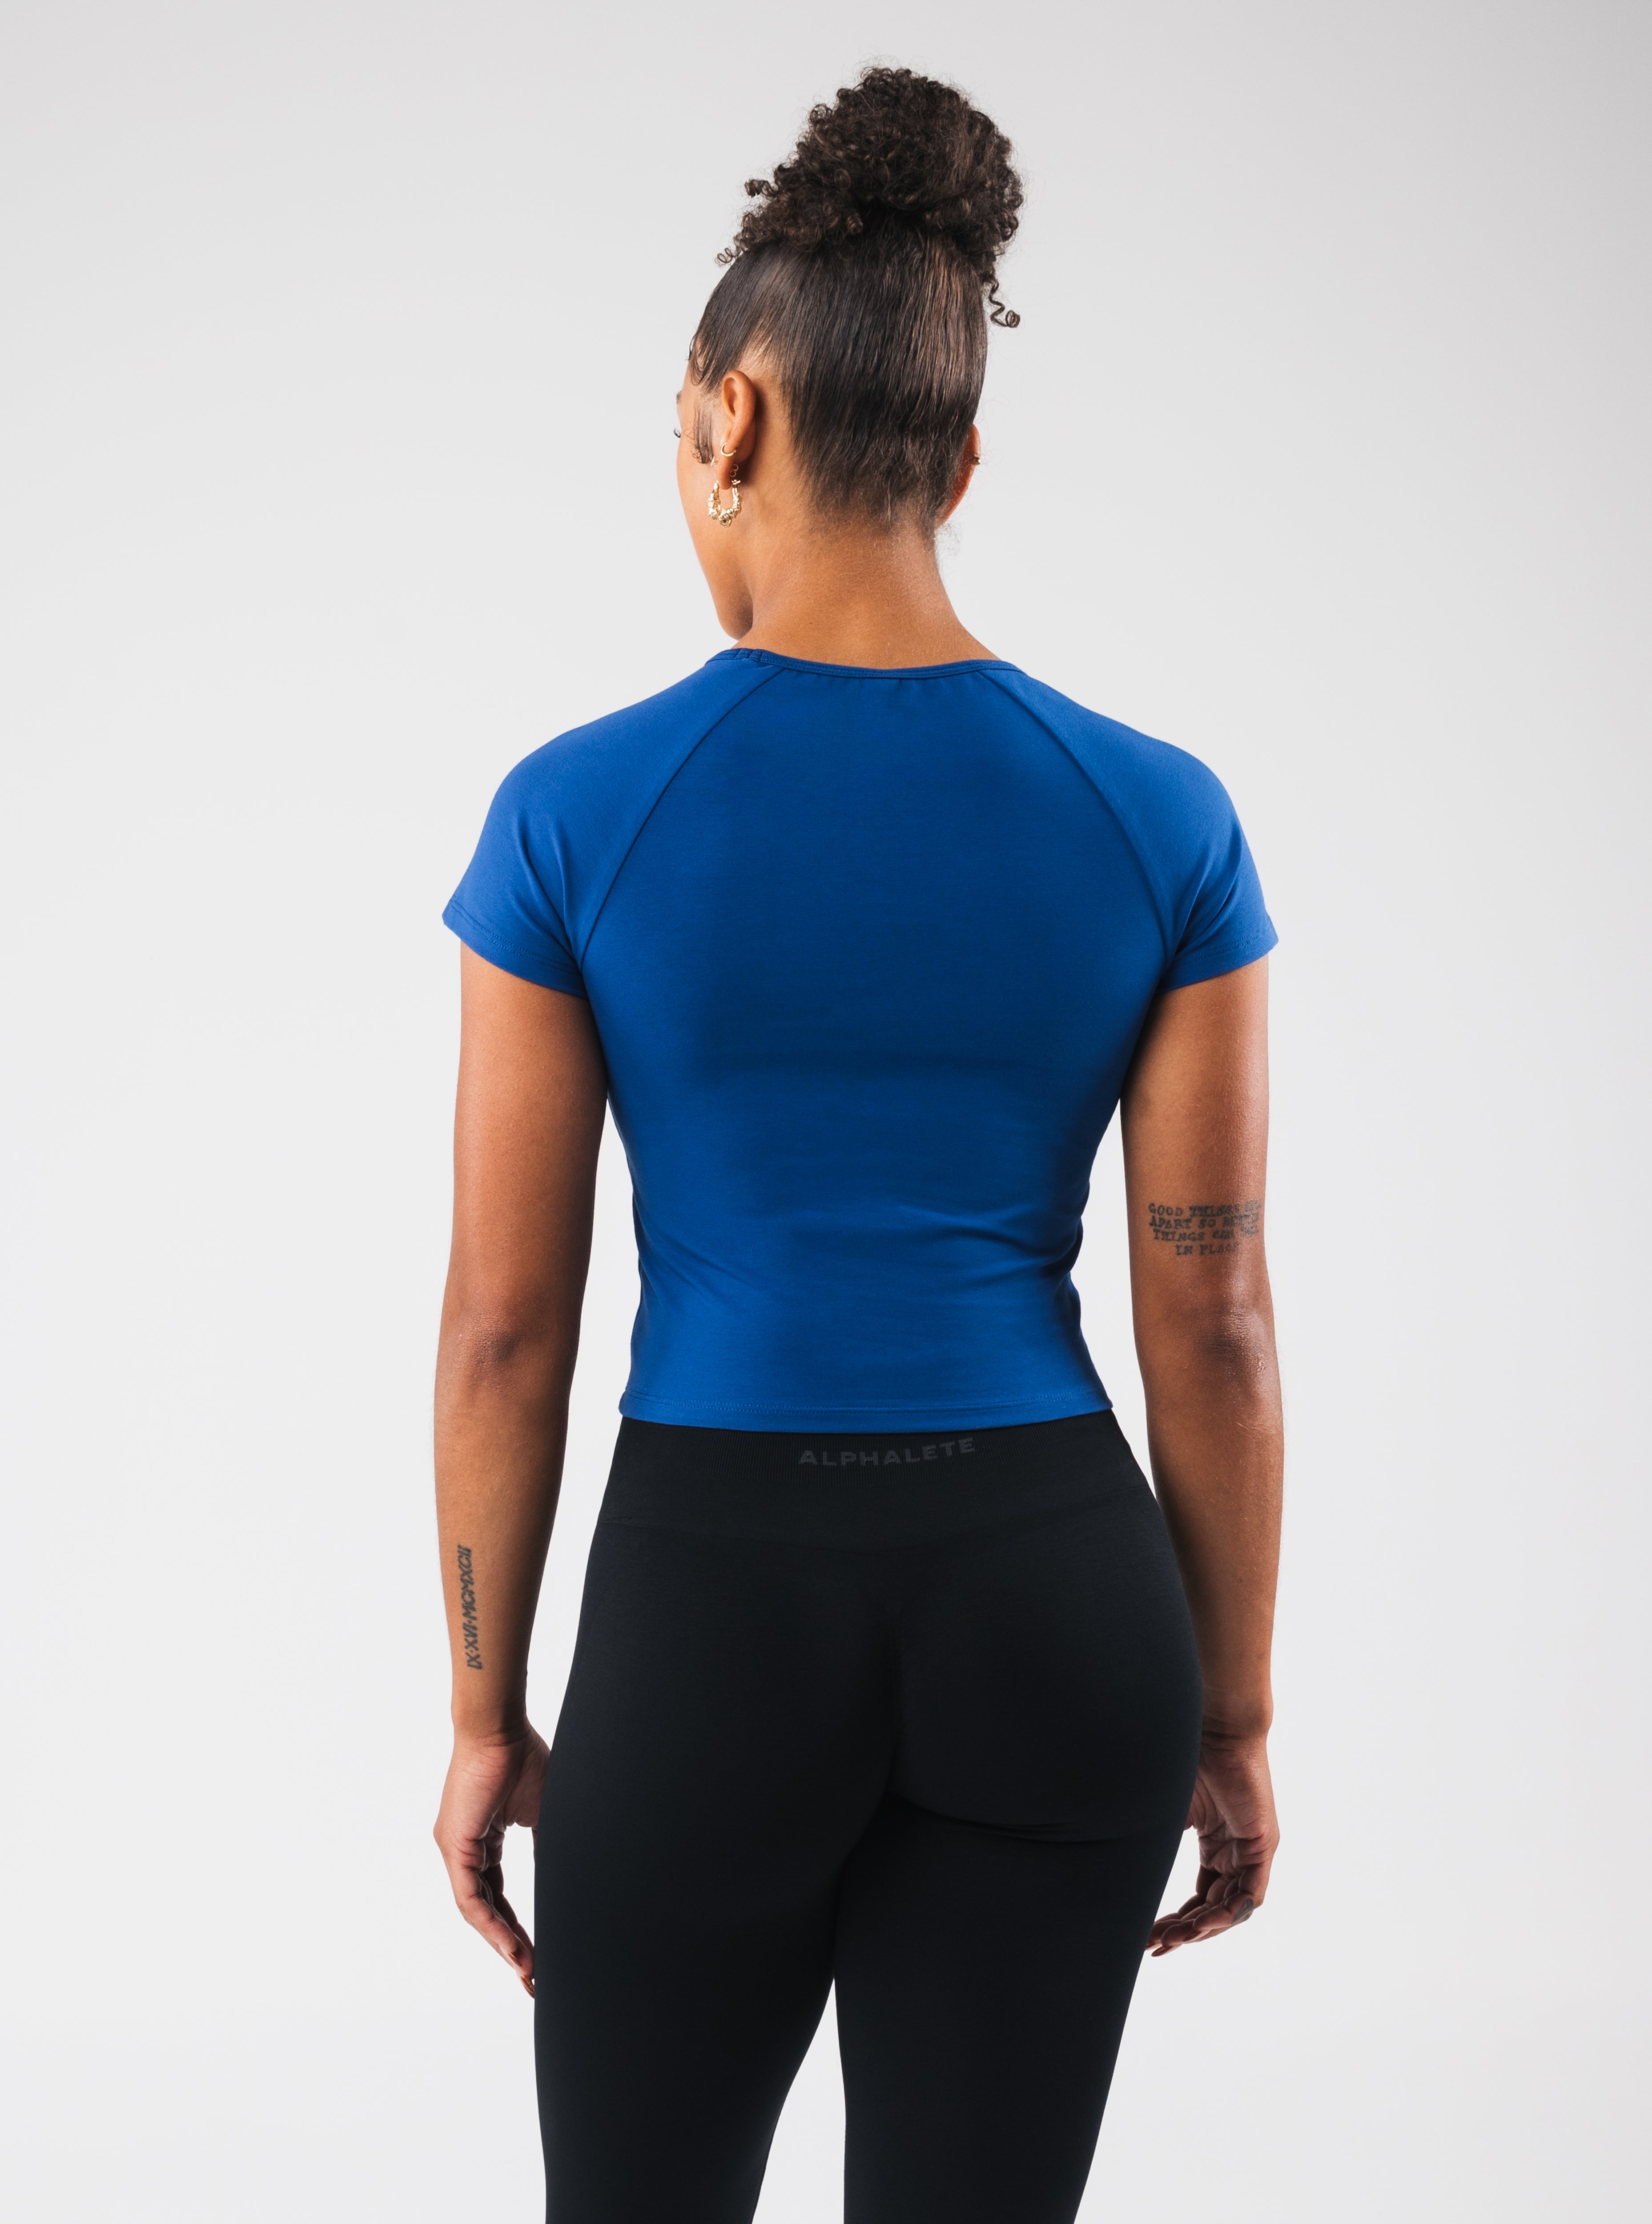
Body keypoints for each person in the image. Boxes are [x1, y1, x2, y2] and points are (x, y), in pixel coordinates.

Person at [432, 64, 1282, 2224]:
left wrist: (486, 1708)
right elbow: (1213, 1317)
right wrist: (1234, 1709)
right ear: (962, 462)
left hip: (710, 1608)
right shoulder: (1161, 815)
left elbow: (507, 1325)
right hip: (1056, 1601)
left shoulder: (575, 811)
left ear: (727, 420)